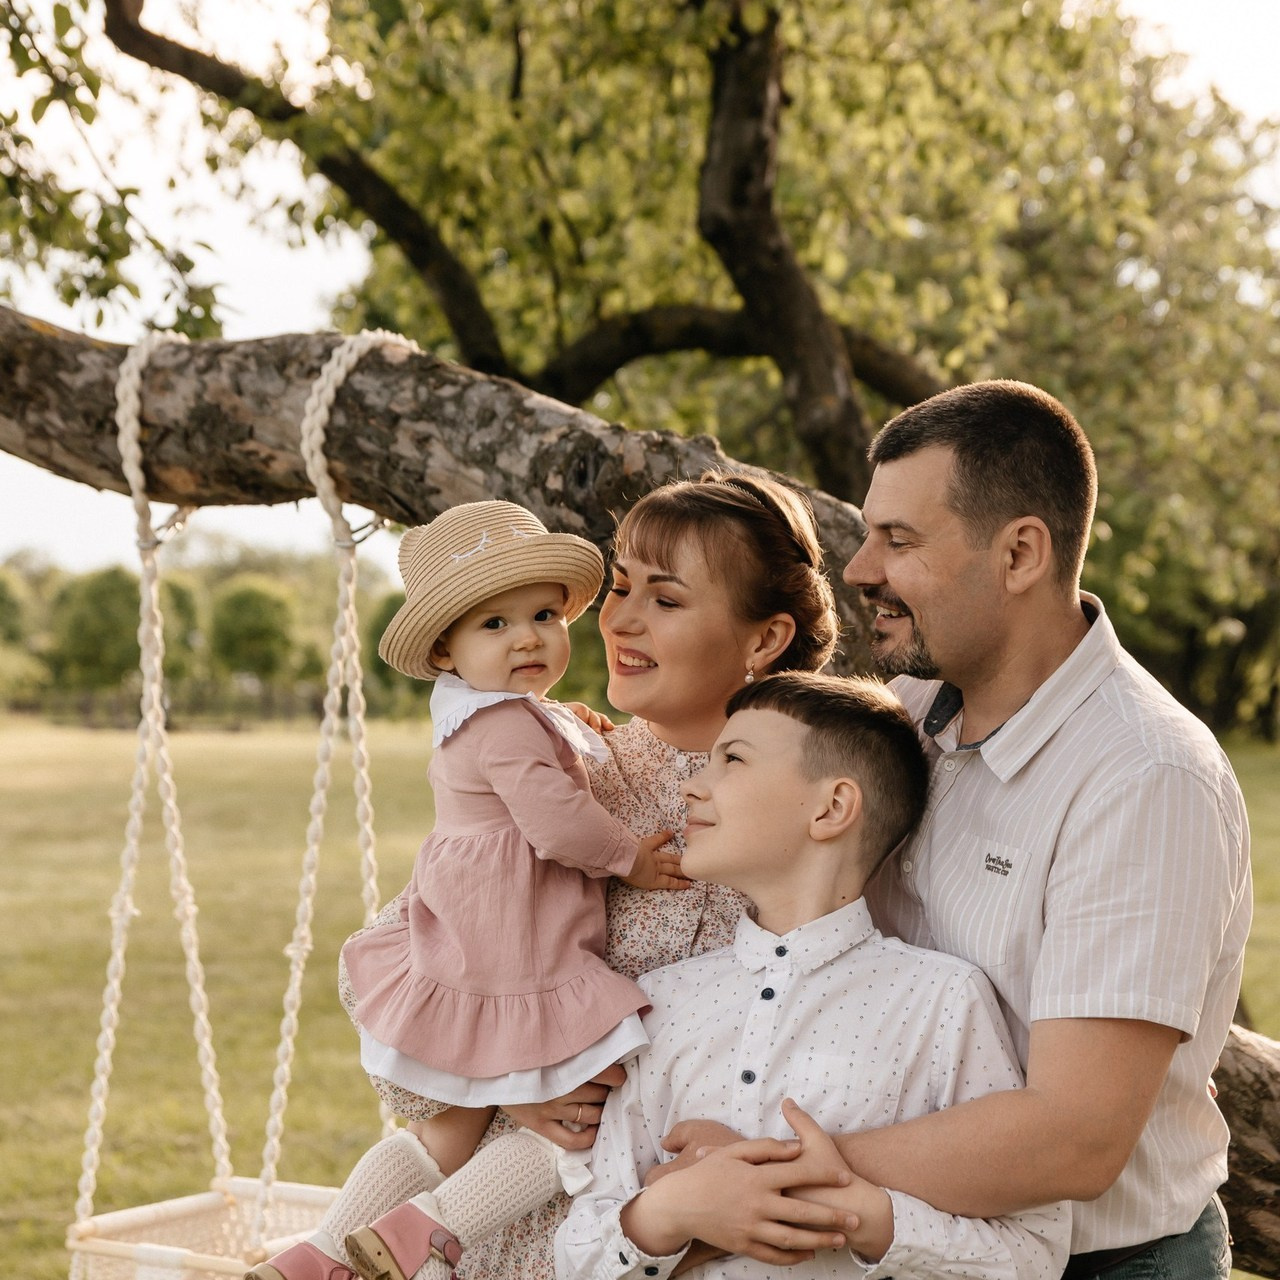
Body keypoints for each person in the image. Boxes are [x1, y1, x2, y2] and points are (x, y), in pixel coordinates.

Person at [668, 380, 1251, 1280]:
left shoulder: (1145, 777)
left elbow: (1074, 1138)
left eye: (900, 540)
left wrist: (765, 1177)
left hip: (1104, 1265)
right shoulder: (899, 723)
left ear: (1020, 553)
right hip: (906, 1247)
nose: (861, 569)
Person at [292, 473, 842, 1280]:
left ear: (764, 641)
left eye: (665, 597)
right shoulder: (576, 778)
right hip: (501, 1233)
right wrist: (504, 1079)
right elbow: (402, 954)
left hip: (684, 1231)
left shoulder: (811, 810)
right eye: (619, 588)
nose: (617, 619)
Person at [248, 499, 690, 1280]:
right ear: (446, 650)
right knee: (573, 1129)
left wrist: (569, 727)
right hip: (518, 944)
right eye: (494, 625)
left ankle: (322, 1256)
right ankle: (434, 1228)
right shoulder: (511, 727)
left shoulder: (485, 711)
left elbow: (530, 745)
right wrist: (631, 859)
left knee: (443, 1136)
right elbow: (557, 824)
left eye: (545, 614)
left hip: (466, 932)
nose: (527, 637)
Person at [556, 671, 1072, 1280]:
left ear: (832, 808)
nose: (693, 785)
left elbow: (1034, 1249)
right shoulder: (660, 1001)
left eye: (733, 759)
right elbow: (577, 1251)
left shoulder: (942, 1000)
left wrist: (855, 1214)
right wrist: (670, 1212)